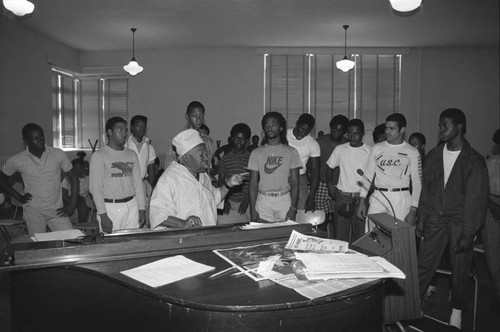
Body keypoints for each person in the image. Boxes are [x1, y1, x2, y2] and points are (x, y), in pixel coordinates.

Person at [417, 108, 488, 330]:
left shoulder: (473, 160)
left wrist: (469, 232)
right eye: (439, 125)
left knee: (460, 268)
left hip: (460, 222)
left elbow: (476, 200)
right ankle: (412, 303)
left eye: (445, 125)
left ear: (459, 127)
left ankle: (456, 310)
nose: (440, 129)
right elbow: (426, 190)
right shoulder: (434, 155)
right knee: (423, 263)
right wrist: (422, 217)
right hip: (435, 218)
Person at [149, 129, 243, 229]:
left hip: (206, 237)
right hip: (183, 241)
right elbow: (157, 214)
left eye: (206, 154)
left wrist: (229, 184)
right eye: (201, 155)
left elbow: (212, 200)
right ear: (185, 158)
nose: (206, 158)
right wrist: (182, 223)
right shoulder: (170, 178)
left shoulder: (203, 175)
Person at [0, 123, 78, 235]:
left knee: (72, 239)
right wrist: (18, 196)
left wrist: (72, 204)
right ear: (26, 141)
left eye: (42, 137)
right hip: (34, 211)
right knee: (39, 245)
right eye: (35, 138)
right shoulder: (18, 160)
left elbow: (73, 177)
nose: (40, 141)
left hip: (56, 210)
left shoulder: (57, 154)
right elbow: (1, 179)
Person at [357, 113, 421, 230]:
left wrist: (413, 210)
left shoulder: (412, 151)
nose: (387, 132)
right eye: (386, 128)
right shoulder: (377, 148)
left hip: (401, 198)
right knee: (371, 238)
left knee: (400, 240)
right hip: (378, 197)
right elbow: (368, 174)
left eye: (392, 129)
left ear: (402, 130)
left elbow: (417, 183)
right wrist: (362, 200)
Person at [89, 117, 145, 233]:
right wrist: (103, 216)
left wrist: (141, 209)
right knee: (111, 246)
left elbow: (138, 184)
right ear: (110, 132)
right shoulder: (99, 156)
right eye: (120, 130)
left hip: (131, 205)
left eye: (126, 130)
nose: (124, 133)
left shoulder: (131, 154)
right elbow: (95, 189)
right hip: (110, 207)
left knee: (131, 243)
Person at [248, 112, 302, 222]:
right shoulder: (256, 153)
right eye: (266, 125)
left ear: (281, 127)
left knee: (284, 236)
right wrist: (253, 209)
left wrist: (293, 208)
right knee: (263, 236)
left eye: (273, 124)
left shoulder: (291, 152)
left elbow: (295, 182)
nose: (269, 128)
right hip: (263, 200)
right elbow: (253, 183)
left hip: (284, 200)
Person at [326, 119, 371, 243]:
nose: (352, 136)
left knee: (360, 238)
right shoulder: (340, 149)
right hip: (342, 197)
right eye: (349, 133)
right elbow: (329, 168)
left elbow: (373, 177)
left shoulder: (369, 151)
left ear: (363, 133)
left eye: (356, 133)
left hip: (361, 199)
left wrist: (365, 197)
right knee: (340, 237)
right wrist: (330, 185)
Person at [315, 115, 349, 236]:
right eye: (335, 129)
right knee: (321, 220)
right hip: (323, 185)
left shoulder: (348, 144)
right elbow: (313, 166)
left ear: (345, 131)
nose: (337, 132)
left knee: (338, 221)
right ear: (330, 128)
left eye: (340, 130)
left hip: (341, 186)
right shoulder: (320, 142)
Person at [217, 124, 252, 225]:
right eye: (236, 138)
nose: (239, 141)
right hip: (229, 200)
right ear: (231, 139)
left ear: (247, 140)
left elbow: (254, 183)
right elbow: (221, 180)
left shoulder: (251, 158)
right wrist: (224, 200)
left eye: (242, 138)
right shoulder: (226, 158)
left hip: (245, 201)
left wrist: (247, 200)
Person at [481, 128, 500, 312]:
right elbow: (481, 190)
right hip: (491, 210)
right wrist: (492, 205)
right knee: (494, 260)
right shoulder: (489, 163)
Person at [126, 115, 157, 226]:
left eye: (144, 126)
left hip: (143, 184)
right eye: (138, 125)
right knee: (131, 212)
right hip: (129, 184)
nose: (141, 128)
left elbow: (152, 169)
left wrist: (150, 186)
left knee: (144, 214)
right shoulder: (125, 145)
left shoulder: (149, 147)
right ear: (132, 127)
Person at [287, 114, 320, 212]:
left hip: (300, 178)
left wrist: (311, 197)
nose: (303, 132)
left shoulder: (313, 144)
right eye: (301, 128)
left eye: (307, 130)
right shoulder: (284, 135)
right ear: (297, 123)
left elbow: (316, 173)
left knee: (301, 211)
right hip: (282, 177)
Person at [186, 101, 217, 168]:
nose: (198, 119)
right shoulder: (180, 140)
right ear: (187, 116)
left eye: (201, 116)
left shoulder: (208, 140)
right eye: (194, 116)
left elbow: (208, 165)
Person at [61, 158, 91, 224]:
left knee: (83, 201)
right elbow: (64, 195)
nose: (78, 170)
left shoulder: (88, 178)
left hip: (85, 200)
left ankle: (82, 226)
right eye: (75, 168)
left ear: (83, 168)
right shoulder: (67, 179)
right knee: (80, 199)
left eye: (80, 167)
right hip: (70, 199)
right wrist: (74, 201)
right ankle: (81, 225)